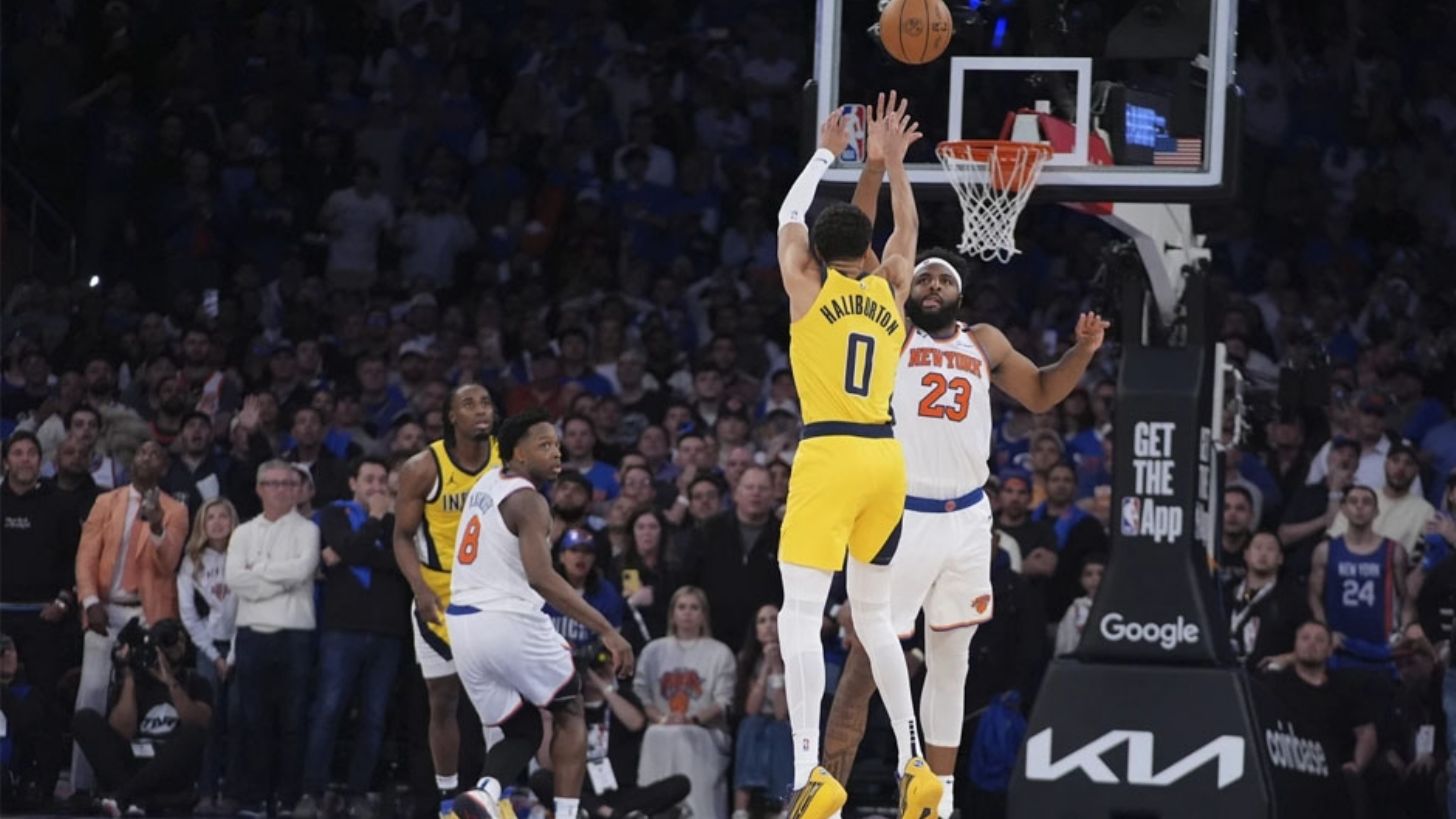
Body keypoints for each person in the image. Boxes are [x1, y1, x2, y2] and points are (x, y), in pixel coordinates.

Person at [820, 240, 1108, 817]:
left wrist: (1083, 350)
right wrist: (886, 187)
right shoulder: (893, 331)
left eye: (943, 280)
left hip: (969, 518)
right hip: (904, 515)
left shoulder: (984, 342)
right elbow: (872, 255)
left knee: (952, 663)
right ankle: (824, 793)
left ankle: (938, 801)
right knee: (866, 661)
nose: (932, 286)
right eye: (923, 278)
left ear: (960, 292)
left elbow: (1042, 392)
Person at [771, 92, 940, 819]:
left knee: (800, 615)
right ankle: (913, 762)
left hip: (831, 452)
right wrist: (893, 163)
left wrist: (824, 152)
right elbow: (907, 229)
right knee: (874, 619)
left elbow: (788, 215)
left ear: (815, 252)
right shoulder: (892, 285)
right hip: (886, 458)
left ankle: (809, 770)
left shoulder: (807, 285)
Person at [444, 407, 633, 819]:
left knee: (523, 728)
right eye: (544, 445)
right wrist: (607, 630)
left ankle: (484, 794)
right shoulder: (529, 500)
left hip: (462, 626)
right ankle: (566, 815)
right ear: (518, 452)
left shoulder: (487, 483)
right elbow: (542, 578)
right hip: (505, 619)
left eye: (557, 444)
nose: (556, 452)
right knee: (570, 708)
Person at [391, 383, 500, 813]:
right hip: (438, 593)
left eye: (486, 402)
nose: (481, 410)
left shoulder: (508, 459)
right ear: (452, 416)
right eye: (469, 404)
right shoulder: (423, 467)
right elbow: (401, 536)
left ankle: (496, 795)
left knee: (500, 703)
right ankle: (446, 796)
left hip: (493, 591)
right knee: (443, 700)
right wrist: (419, 589)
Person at [71, 439, 189, 796]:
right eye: (142, 452)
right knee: (91, 691)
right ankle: (81, 788)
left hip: (147, 613)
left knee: (144, 696)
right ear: (132, 460)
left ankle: (135, 786)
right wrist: (90, 600)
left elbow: (167, 564)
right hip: (104, 608)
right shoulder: (106, 502)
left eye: (155, 454)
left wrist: (157, 525)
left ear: (164, 467)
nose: (147, 457)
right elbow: (85, 557)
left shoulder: (176, 510)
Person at [296, 456, 410, 819]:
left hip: (387, 632)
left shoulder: (401, 520)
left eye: (382, 480)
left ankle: (359, 793)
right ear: (353, 483)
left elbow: (400, 563)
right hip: (341, 630)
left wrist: (349, 553)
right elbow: (358, 549)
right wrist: (373, 525)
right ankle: (312, 792)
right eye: (369, 480)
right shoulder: (334, 514)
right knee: (328, 711)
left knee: (374, 718)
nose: (376, 487)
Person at [226, 460, 320, 817]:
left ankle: (287, 798)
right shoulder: (243, 532)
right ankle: (254, 797)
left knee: (293, 719)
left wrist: (259, 573)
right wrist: (279, 580)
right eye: (273, 483)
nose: (281, 489)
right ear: (259, 488)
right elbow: (235, 580)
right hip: (252, 634)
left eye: (288, 484)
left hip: (295, 634)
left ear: (297, 490)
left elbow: (303, 569)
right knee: (253, 719)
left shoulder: (308, 530)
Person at [72, 618, 212, 817]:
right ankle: (136, 799)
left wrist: (170, 681)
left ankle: (124, 797)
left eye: (178, 641)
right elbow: (122, 732)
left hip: (169, 765)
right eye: (167, 642)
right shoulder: (138, 680)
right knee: (84, 719)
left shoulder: (195, 681)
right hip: (134, 761)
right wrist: (129, 677)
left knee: (193, 733)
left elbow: (200, 723)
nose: (175, 648)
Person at [634, 586, 737, 819]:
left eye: (694, 607)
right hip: (661, 727)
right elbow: (641, 694)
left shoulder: (720, 652)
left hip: (706, 730)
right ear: (672, 614)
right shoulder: (653, 651)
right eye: (681, 607)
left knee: (682, 735)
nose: (687, 613)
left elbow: (723, 701)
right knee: (657, 734)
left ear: (703, 615)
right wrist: (662, 718)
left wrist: (691, 719)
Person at [1264, 622, 1377, 816]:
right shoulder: (1275, 684)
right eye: (1305, 638)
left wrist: (1356, 765)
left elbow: (1366, 732)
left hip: (1334, 772)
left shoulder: (1345, 687)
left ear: (1330, 650)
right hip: (1289, 768)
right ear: (1295, 646)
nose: (1311, 644)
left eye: (1319, 640)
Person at [1, 431, 78, 708]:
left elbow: (75, 559)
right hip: (1, 614)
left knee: (45, 701)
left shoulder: (61, 503)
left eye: (31, 453)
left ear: (41, 461)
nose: (25, 459)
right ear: (5, 462)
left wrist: (63, 602)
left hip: (45, 618)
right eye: (18, 453)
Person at [175, 498, 242, 814]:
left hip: (241, 645)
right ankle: (205, 790)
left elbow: (249, 605)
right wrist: (215, 656)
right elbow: (188, 615)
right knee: (209, 720)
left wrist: (233, 655)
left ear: (233, 521)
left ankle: (234, 791)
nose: (217, 522)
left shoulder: (244, 556)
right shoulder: (192, 562)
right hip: (208, 646)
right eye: (210, 517)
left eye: (223, 516)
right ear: (201, 524)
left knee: (238, 719)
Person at [1309, 486, 1416, 673]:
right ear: (1343, 509)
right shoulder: (1325, 550)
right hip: (1338, 646)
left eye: (1366, 502)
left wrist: (1403, 631)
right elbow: (1314, 596)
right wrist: (1324, 632)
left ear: (1376, 511)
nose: (1359, 507)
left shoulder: (1394, 551)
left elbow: (1405, 598)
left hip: (1381, 647)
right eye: (1353, 501)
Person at [733, 603, 792, 819]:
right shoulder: (747, 659)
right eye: (762, 621)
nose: (768, 626)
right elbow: (751, 709)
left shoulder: (795, 659)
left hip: (786, 723)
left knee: (781, 730)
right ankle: (740, 810)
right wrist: (766, 667)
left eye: (774, 619)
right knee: (750, 726)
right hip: (757, 722)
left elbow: (781, 712)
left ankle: (786, 809)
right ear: (756, 631)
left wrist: (777, 667)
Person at [1223, 531, 1308, 671]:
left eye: (1270, 549)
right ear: (1246, 555)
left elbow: (1311, 643)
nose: (1263, 554)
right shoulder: (1226, 592)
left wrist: (1286, 659)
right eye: (1258, 547)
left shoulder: (1293, 598)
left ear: (1280, 558)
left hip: (1269, 676)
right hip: (1225, 673)